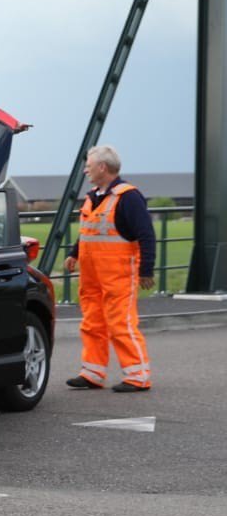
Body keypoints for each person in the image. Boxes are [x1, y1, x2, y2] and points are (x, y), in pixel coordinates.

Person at [64, 145, 155, 392]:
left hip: (118, 274)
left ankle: (138, 375)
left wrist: (146, 269)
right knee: (92, 322)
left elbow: (146, 234)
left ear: (102, 167)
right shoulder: (93, 196)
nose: (86, 171)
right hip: (91, 275)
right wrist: (74, 254)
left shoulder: (128, 197)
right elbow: (88, 231)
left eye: (88, 166)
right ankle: (92, 372)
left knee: (121, 324)